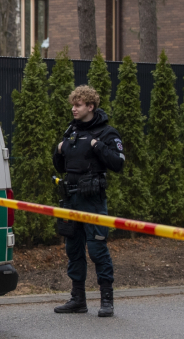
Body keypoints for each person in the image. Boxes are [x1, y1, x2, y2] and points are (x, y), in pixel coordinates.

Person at [52, 85, 124, 317]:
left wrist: (98, 146)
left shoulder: (106, 133)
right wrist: (58, 151)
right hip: (71, 199)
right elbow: (61, 167)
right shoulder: (71, 131)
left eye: (78, 105)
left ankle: (106, 300)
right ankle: (78, 300)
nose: (73, 109)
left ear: (90, 106)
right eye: (73, 105)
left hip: (92, 201)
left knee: (97, 249)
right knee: (73, 249)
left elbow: (118, 163)